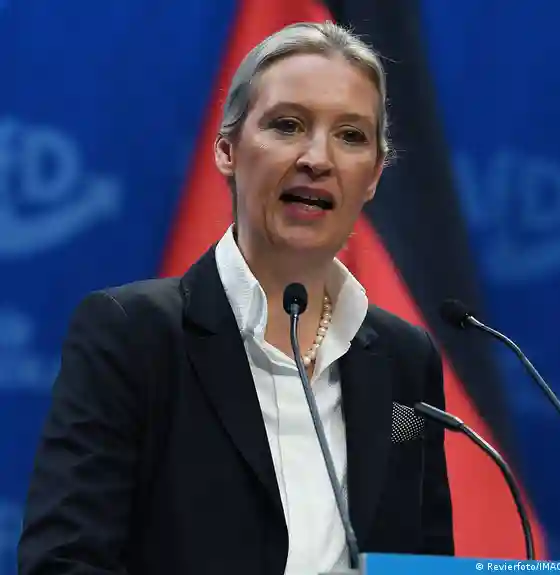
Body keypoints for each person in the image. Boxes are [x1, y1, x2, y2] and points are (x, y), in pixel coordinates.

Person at [18, 21, 454, 575]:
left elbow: (421, 559)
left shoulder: (404, 360)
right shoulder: (133, 336)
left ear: (372, 176)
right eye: (288, 125)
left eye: (351, 136)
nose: (318, 158)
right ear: (227, 150)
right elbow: (63, 563)